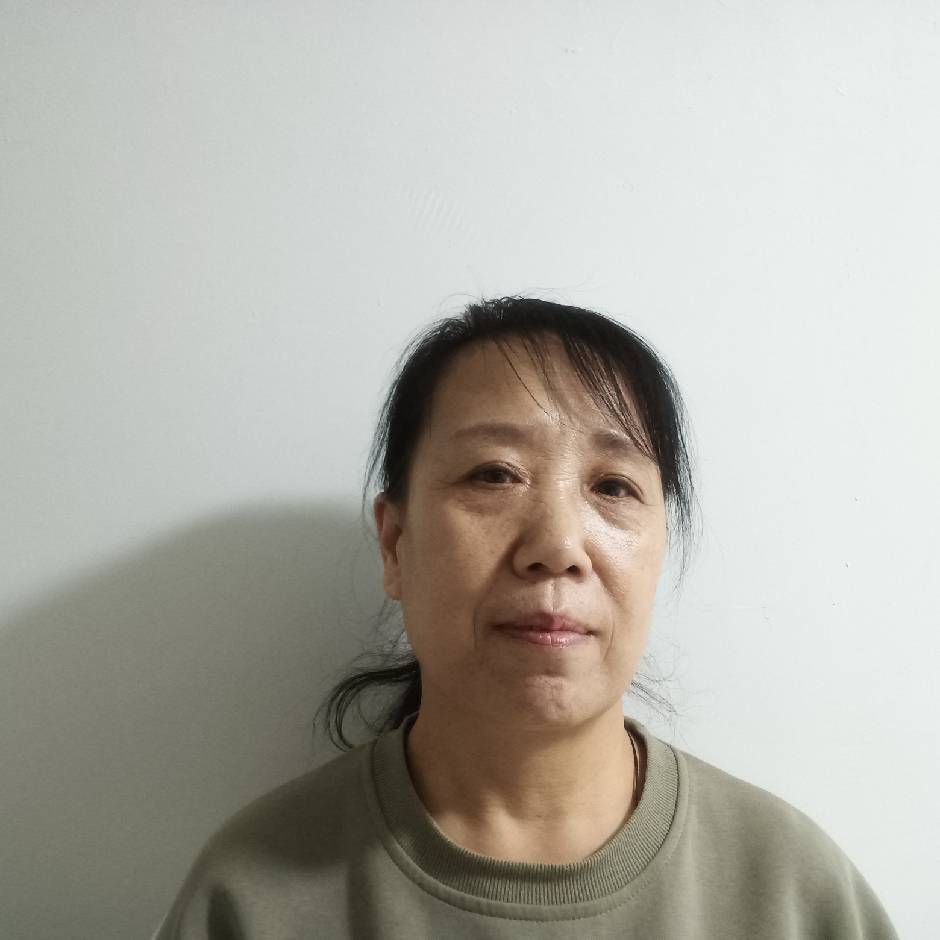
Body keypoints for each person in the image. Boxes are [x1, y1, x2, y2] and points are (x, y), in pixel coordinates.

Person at [153, 297, 898, 938]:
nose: (557, 547)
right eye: (495, 475)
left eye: (613, 486)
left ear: (660, 547)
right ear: (395, 542)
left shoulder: (792, 892)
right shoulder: (254, 896)